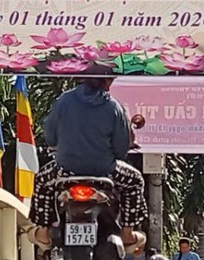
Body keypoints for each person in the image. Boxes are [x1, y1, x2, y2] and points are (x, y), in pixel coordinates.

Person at [29, 78, 148, 250]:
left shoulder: (64, 100)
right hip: (105, 170)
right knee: (135, 181)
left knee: (41, 181)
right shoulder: (114, 107)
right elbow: (121, 149)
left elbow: (50, 136)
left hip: (66, 169)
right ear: (107, 81)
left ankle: (43, 232)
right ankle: (128, 233)